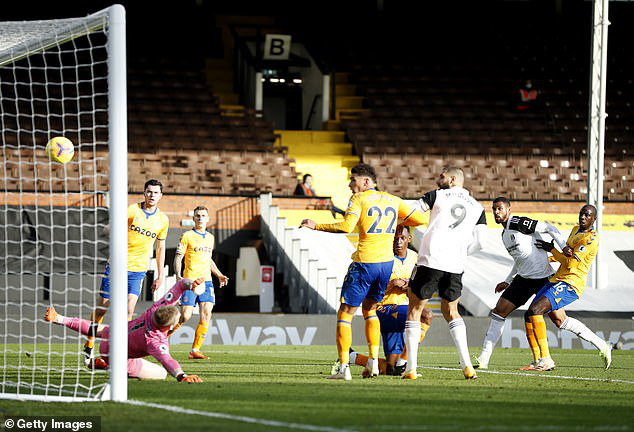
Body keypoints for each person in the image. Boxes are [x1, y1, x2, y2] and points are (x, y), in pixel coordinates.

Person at [300, 163, 425, 380]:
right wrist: (395, 220)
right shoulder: (392, 200)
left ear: (366, 182)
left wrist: (316, 225)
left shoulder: (359, 199)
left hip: (365, 263)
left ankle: (344, 368)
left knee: (345, 313)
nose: (350, 185)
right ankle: (373, 363)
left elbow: (346, 227)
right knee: (370, 310)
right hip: (386, 264)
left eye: (353, 180)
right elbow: (421, 219)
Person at [404, 166, 487, 380]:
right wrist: (460, 252)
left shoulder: (436, 195)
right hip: (455, 265)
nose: (437, 179)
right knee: (452, 311)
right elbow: (481, 242)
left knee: (415, 309)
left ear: (452, 179)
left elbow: (411, 211)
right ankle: (467, 365)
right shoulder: (478, 207)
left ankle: (410, 368)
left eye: (441, 176)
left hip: (431, 260)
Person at [45, 278, 204, 383]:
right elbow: (167, 361)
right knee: (161, 374)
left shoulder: (155, 309)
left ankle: (58, 318)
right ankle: (108, 366)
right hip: (116, 357)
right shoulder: (156, 341)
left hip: (109, 338)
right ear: (167, 327)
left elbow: (180, 284)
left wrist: (191, 285)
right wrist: (181, 376)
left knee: (99, 329)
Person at [473, 196, 568, 369]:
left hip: (543, 278)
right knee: (499, 311)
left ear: (509, 210)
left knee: (560, 320)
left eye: (500, 208)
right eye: (494, 209)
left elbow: (549, 227)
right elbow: (520, 261)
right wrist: (507, 281)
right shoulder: (504, 235)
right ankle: (483, 359)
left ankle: (601, 344)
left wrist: (564, 246)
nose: (496, 212)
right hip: (523, 279)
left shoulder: (519, 223)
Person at [84, 179, 169, 365]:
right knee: (103, 307)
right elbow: (113, 228)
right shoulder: (132, 210)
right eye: (149, 191)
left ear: (161, 196)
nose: (152, 195)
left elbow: (160, 248)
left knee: (129, 308)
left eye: (156, 192)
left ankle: (119, 348)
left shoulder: (163, 220)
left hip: (138, 270)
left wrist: (160, 274)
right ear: (144, 193)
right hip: (117, 266)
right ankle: (89, 343)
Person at [525, 204, 612, 371]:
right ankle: (602, 345)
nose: (583, 217)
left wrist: (552, 249)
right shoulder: (575, 230)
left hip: (571, 283)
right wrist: (546, 258)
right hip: (557, 279)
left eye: (587, 215)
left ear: (594, 219)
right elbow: (565, 256)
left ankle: (546, 359)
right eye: (581, 214)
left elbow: (571, 263)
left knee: (536, 310)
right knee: (548, 318)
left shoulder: (591, 239)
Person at [339, 225, 433, 376]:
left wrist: (411, 285)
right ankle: (404, 361)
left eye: (402, 238)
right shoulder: (382, 258)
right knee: (425, 315)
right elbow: (370, 290)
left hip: (403, 309)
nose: (399, 242)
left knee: (391, 369)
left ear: (409, 239)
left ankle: (354, 357)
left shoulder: (415, 258)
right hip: (383, 309)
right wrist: (392, 284)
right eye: (395, 239)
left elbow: (422, 287)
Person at [170, 206, 229, 360]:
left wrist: (219, 275)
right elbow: (178, 257)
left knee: (207, 314)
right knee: (185, 316)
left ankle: (195, 349)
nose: (200, 218)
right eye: (198, 216)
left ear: (208, 218)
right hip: (190, 281)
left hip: (207, 282)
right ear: (194, 218)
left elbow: (208, 260)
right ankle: (164, 335)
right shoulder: (187, 236)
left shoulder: (210, 237)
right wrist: (177, 275)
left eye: (203, 215)